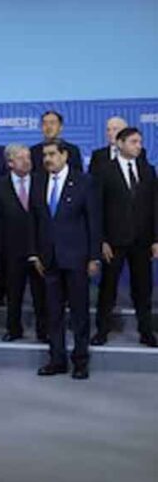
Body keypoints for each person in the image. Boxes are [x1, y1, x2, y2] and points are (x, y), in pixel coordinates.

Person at [29, 139, 101, 380]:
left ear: (65, 156)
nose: (47, 159)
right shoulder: (38, 181)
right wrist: (36, 254)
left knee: (79, 313)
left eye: (52, 154)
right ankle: (57, 359)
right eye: (44, 155)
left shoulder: (84, 182)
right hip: (49, 261)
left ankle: (80, 361)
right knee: (53, 314)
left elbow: (94, 222)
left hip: (77, 259)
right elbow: (36, 221)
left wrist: (93, 257)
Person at [93, 127, 158, 347]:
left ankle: (146, 331)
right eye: (133, 141)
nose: (139, 145)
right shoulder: (104, 170)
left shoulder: (148, 170)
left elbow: (155, 207)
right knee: (108, 288)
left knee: (143, 289)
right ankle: (102, 330)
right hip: (113, 242)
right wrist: (101, 240)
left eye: (140, 142)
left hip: (142, 241)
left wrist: (156, 239)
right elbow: (97, 208)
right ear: (120, 144)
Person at [0, 144, 47, 342]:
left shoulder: (42, 181)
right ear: (10, 163)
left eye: (28, 157)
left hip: (39, 248)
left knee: (41, 294)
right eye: (21, 158)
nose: (27, 161)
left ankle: (43, 330)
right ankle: (14, 329)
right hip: (11, 250)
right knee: (14, 293)